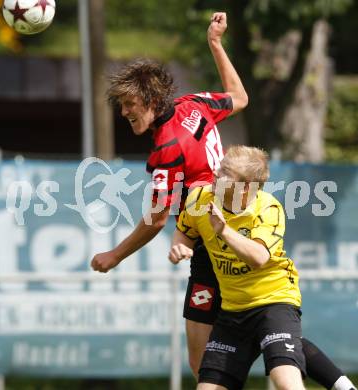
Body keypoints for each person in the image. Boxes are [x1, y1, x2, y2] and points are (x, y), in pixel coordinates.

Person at [91, 12, 356, 390]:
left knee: (207, 361)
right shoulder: (192, 105)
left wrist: (114, 255)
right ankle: (342, 385)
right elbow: (241, 97)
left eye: (129, 104)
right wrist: (216, 44)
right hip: (234, 219)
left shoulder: (167, 147)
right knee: (267, 328)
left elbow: (155, 217)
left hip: (211, 239)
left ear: (150, 99)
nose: (124, 112)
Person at [169, 146, 356, 390]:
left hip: (273, 302)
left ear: (245, 187)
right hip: (232, 310)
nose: (215, 172)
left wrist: (224, 231)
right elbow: (184, 233)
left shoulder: (268, 208)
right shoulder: (199, 198)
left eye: (225, 171)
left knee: (285, 382)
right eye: (220, 166)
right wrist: (179, 248)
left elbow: (258, 257)